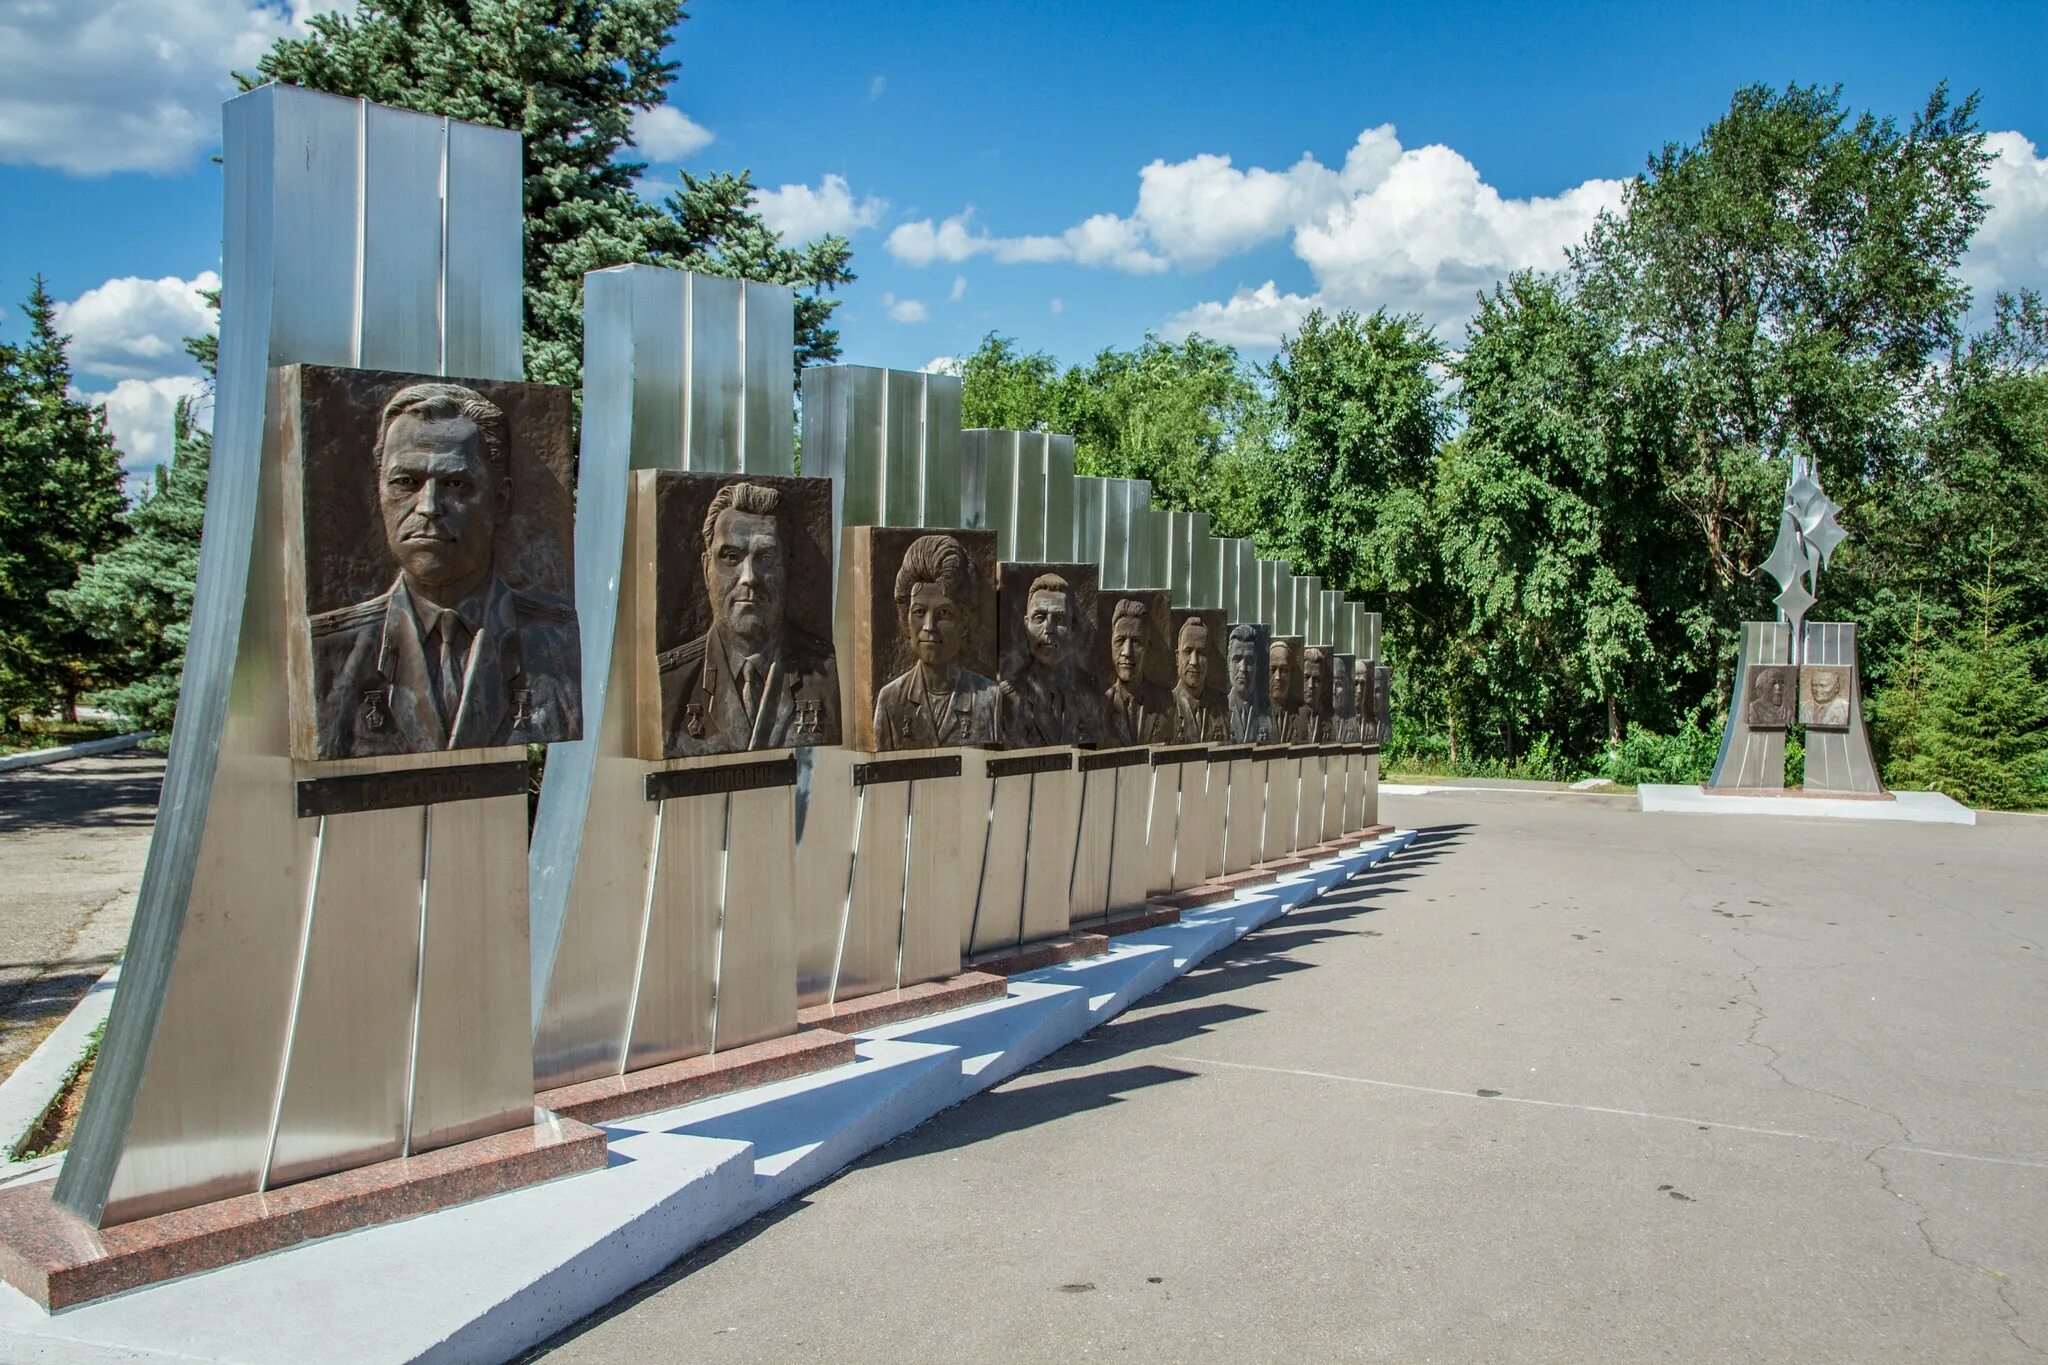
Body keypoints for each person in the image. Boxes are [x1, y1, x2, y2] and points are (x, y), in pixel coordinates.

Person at [310, 381, 580, 758]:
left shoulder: (552, 642)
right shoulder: (330, 650)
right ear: (380, 493)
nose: (429, 507)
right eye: (406, 482)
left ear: (499, 501)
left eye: (455, 483)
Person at [659, 480, 838, 754]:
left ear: (787, 568)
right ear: (707, 568)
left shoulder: (827, 675)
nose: (749, 578)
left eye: (766, 557)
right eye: (731, 557)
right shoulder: (671, 682)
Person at [873, 534, 1000, 749]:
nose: (929, 626)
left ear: (965, 621)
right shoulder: (891, 699)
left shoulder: (989, 699)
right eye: (920, 612)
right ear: (906, 620)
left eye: (944, 613)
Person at [1001, 572, 1099, 747]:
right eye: (1039, 618)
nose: (1048, 629)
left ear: (1072, 628)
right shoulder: (1007, 697)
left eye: (1059, 618)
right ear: (1026, 625)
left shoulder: (1090, 692)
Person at [1102, 597, 1170, 746]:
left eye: (1137, 642)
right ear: (1111, 645)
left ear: (1148, 648)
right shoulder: (1100, 706)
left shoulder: (1168, 704)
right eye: (1120, 641)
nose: (1127, 652)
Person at [1170, 615, 1227, 743]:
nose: (1194, 661)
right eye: (1188, 651)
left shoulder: (1223, 708)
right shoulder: (1166, 707)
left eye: (1201, 652)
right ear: (1177, 658)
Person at [1226, 624, 1274, 743]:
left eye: (1250, 660)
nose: (1243, 668)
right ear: (1228, 663)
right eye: (1237, 659)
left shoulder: (1268, 711)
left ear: (1256, 664)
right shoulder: (1220, 711)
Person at [1330, 654, 1357, 742]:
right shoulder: (1318, 722)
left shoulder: (1355, 723)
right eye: (1330, 684)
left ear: (1346, 687)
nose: (1333, 691)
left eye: (1339, 685)